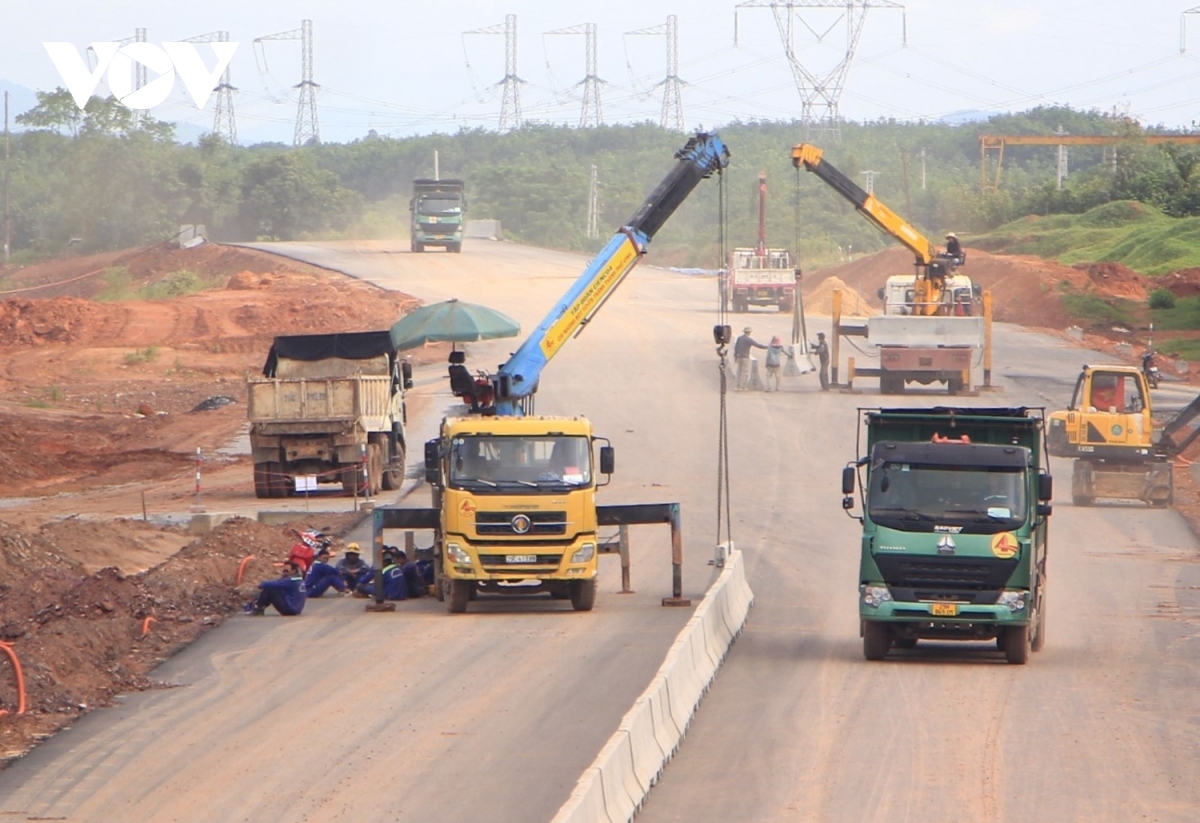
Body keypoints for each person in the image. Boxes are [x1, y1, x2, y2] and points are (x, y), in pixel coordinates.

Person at [733, 326, 767, 391]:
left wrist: (735, 356)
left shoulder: (739, 338)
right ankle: (743, 387)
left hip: (738, 356)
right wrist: (767, 347)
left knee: (738, 371)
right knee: (745, 372)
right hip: (745, 357)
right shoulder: (749, 340)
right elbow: (758, 345)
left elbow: (736, 347)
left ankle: (737, 386)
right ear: (749, 332)